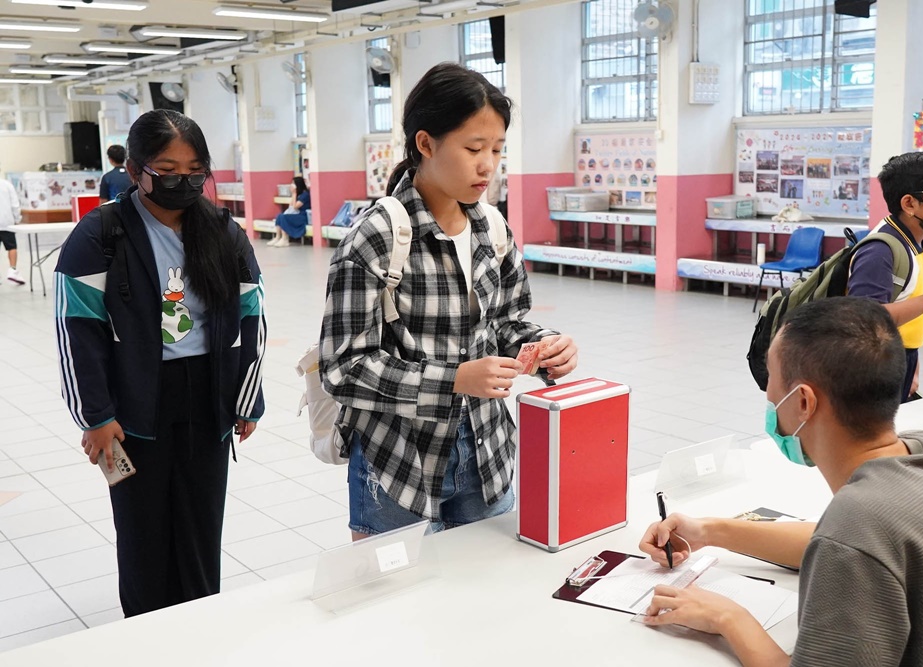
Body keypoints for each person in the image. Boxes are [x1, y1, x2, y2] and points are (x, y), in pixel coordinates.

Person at [638, 298, 923, 667]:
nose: (768, 396)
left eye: (771, 378)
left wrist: (728, 618)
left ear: (803, 402)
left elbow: (847, 542)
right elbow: (835, 541)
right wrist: (709, 531)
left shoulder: (858, 523)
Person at [319, 63, 578, 538]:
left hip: (485, 453)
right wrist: (455, 379)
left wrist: (544, 346)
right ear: (426, 143)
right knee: (397, 584)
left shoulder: (492, 228)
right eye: (473, 148)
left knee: (486, 580)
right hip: (397, 461)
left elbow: (505, 322)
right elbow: (344, 367)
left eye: (497, 149)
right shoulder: (376, 237)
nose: (488, 165)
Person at [53, 109, 267, 617]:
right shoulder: (101, 233)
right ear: (134, 170)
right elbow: (77, 330)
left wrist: (247, 400)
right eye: (167, 171)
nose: (183, 182)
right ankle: (146, 630)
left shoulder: (223, 231)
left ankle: (199, 622)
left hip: (207, 396)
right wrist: (95, 416)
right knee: (142, 528)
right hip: (133, 402)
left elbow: (251, 315)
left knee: (201, 523)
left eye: (195, 171)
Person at [848, 152, 923, 402]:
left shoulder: (915, 241)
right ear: (909, 204)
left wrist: (912, 361)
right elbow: (864, 319)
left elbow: (906, 310)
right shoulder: (880, 250)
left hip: (900, 357)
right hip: (873, 365)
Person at [269, 176, 310, 247]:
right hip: (296, 214)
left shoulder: (305, 195)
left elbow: (295, 207)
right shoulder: (298, 194)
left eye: (293, 183)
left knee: (284, 217)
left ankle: (285, 238)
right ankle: (278, 237)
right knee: (279, 216)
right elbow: (290, 205)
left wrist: (294, 193)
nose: (292, 185)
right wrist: (294, 194)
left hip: (302, 216)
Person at [0, 173, 23, 284]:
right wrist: (17, 218)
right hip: (6, 222)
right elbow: (15, 204)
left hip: (6, 222)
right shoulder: (7, 185)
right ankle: (12, 270)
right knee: (11, 247)